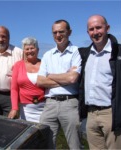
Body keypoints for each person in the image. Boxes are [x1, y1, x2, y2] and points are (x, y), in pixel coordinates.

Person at [78, 14, 121, 149]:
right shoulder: (84, 54)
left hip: (112, 114)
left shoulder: (120, 52)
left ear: (107, 28)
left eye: (99, 28)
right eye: (91, 29)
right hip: (91, 115)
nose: (95, 32)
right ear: (87, 32)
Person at [37, 20, 82, 149]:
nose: (58, 35)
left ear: (69, 32)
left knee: (75, 145)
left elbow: (73, 78)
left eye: (61, 31)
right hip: (50, 104)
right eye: (55, 32)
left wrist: (50, 75)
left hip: (70, 103)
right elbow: (40, 81)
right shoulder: (47, 55)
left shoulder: (77, 52)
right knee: (45, 143)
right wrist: (65, 78)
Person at [7, 37, 45, 123]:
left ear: (38, 50)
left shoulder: (44, 64)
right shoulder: (18, 65)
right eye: (27, 49)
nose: (30, 51)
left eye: (32, 48)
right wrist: (14, 108)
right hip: (26, 110)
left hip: (45, 109)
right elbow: (14, 89)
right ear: (23, 51)